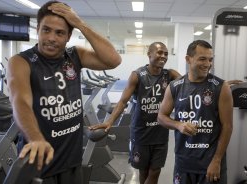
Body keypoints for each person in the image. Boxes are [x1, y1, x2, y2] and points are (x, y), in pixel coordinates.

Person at [6, 1, 121, 183]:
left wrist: (80, 24)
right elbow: (20, 101)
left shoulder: (75, 56)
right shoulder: (21, 62)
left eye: (59, 33)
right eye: (46, 30)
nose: (51, 37)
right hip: (40, 164)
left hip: (72, 161)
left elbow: (113, 60)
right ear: (38, 30)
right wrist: (35, 138)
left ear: (68, 36)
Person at [90, 41, 181, 184]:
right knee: (143, 171)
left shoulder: (170, 74)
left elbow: (190, 83)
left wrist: (219, 84)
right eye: (159, 52)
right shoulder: (137, 75)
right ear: (149, 54)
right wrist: (109, 121)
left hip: (160, 132)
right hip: (141, 133)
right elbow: (122, 102)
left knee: (155, 171)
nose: (163, 56)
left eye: (166, 54)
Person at [157, 40, 233, 184]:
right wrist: (178, 125)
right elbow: (161, 117)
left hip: (211, 164)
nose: (207, 64)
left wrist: (217, 160)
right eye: (202, 59)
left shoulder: (221, 87)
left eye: (210, 59)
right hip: (184, 164)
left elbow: (227, 127)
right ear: (188, 59)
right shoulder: (175, 86)